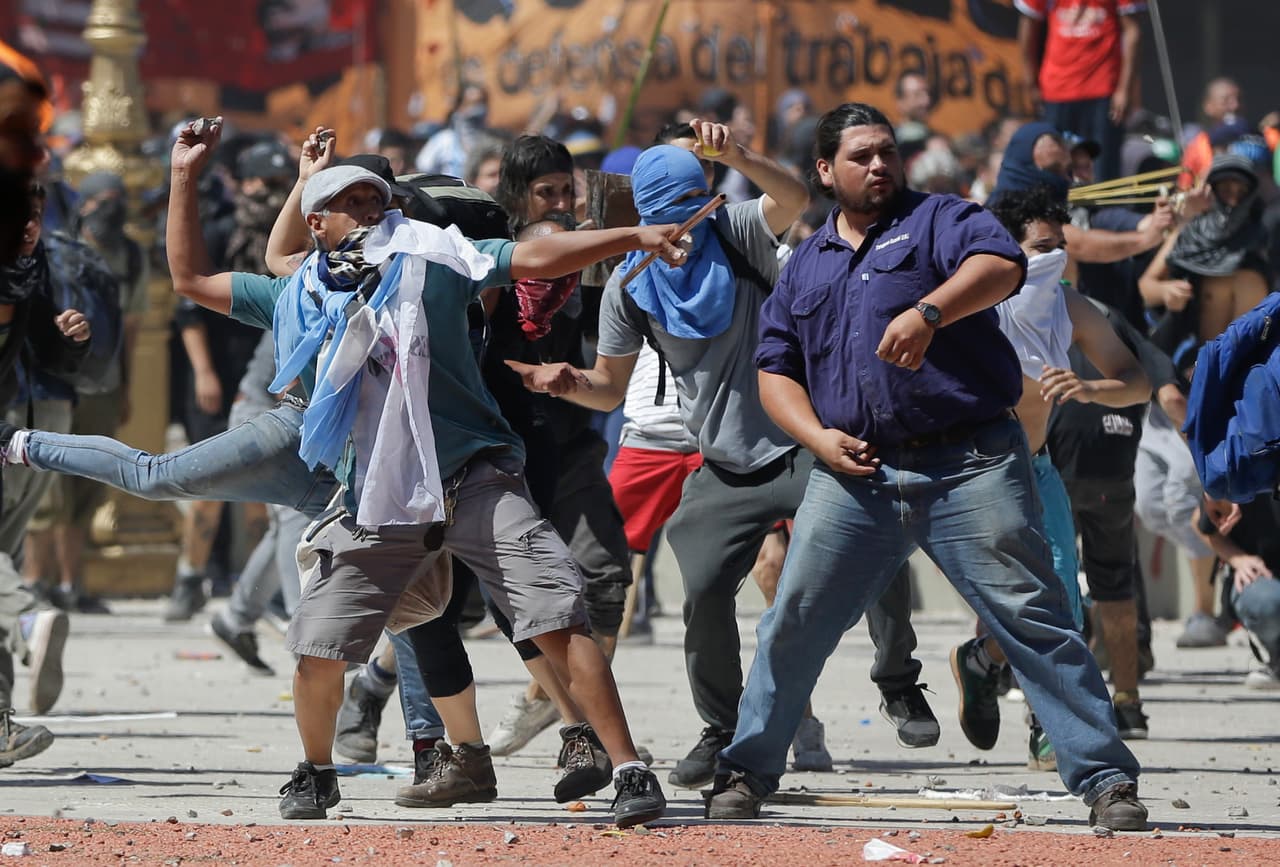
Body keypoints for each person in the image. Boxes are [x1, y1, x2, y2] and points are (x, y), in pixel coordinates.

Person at [165, 118, 684, 826]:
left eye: (378, 199)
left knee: (560, 615)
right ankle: (316, 772)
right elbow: (191, 278)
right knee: (318, 647)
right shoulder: (300, 294)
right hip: (377, 496)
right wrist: (184, 176)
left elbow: (535, 258)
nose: (372, 210)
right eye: (352, 201)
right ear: (319, 222)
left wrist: (633, 237)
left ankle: (627, 769)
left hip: (474, 475)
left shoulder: (435, 262)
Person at [704, 102, 1147, 832]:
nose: (879, 164)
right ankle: (748, 767)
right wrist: (816, 439)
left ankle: (1105, 779)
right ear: (824, 170)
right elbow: (774, 369)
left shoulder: (942, 218)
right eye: (860, 156)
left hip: (970, 462)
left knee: (1034, 617)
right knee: (793, 620)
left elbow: (1002, 265)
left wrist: (930, 311)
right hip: (855, 473)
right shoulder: (807, 260)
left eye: (887, 151)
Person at [507, 120, 934, 791]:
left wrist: (738, 154)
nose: (678, 235)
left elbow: (791, 199)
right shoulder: (628, 285)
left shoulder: (733, 233)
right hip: (724, 465)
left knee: (877, 525)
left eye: (689, 212)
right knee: (702, 592)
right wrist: (565, 379)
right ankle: (721, 726)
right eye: (662, 220)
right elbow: (609, 386)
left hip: (803, 443)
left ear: (706, 201)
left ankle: (898, 676)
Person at [960, 187, 1150, 765]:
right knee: (1010, 602)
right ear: (1006, 249)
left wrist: (1092, 388)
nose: (1056, 258)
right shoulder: (971, 302)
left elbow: (1136, 380)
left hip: (1037, 470)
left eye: (1062, 246)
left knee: (1062, 599)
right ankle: (955, 668)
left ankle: (1044, 716)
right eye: (1043, 247)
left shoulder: (1070, 308)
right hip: (967, 471)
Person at [165, 139, 294, 622]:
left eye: (285, 185)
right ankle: (190, 577)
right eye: (267, 183)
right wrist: (203, 372)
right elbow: (188, 310)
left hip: (271, 377)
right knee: (208, 487)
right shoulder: (221, 233)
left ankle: (257, 590)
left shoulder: (294, 242)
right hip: (214, 375)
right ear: (243, 184)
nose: (274, 194)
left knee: (267, 496)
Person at [22, 170, 146, 614]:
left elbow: (129, 332)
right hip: (55, 382)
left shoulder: (131, 255)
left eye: (119, 198)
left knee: (83, 491)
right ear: (86, 203)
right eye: (105, 199)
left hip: (103, 385)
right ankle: (38, 582)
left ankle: (71, 585)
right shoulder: (53, 252)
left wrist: (126, 386)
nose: (113, 207)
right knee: (44, 490)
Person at [0, 181, 88, 764]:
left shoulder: (25, 275)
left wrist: (70, 340)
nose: (30, 227)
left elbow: (46, 357)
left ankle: (27, 618)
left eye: (34, 216)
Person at [1017, 0, 1145, 182]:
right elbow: (1028, 25)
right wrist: (1030, 81)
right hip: (1056, 90)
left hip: (1103, 89)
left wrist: (1124, 89)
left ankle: (1104, 210)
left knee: (1104, 171)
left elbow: (1132, 31)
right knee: (1054, 168)